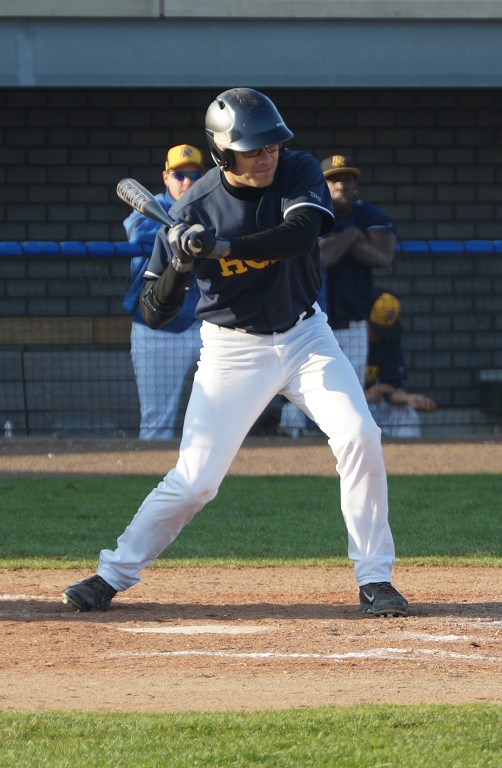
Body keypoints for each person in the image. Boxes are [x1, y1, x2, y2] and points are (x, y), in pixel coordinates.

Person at [62, 87, 408, 618]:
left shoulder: (297, 170)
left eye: (272, 144)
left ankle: (375, 577)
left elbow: (300, 236)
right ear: (224, 153)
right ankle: (113, 573)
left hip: (306, 336)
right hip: (232, 349)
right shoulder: (192, 208)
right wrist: (181, 264)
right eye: (253, 148)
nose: (267, 155)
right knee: (196, 481)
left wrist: (222, 247)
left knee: (360, 434)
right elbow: (154, 311)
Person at [123, 144, 204, 439]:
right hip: (157, 328)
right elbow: (139, 233)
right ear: (166, 177)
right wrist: (182, 227)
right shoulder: (150, 207)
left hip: (204, 325)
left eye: (194, 174)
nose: (187, 181)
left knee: (220, 419)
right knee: (157, 425)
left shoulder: (211, 204)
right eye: (179, 175)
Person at [318, 154, 397, 387]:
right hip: (314, 326)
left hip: (354, 327)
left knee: (352, 393)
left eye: (347, 179)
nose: (341, 185)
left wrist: (337, 241)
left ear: (355, 185)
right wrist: (353, 234)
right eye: (333, 180)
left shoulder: (367, 214)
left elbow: (383, 257)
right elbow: (322, 258)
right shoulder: (311, 214)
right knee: (308, 397)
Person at [365, 289, 437, 438]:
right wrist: (366, 394)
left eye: (384, 330)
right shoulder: (344, 340)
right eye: (376, 329)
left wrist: (408, 398)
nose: (379, 335)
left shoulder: (388, 339)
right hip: (344, 409)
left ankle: (406, 454)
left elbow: (392, 387)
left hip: (372, 406)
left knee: (407, 415)